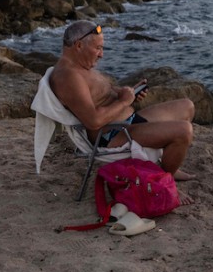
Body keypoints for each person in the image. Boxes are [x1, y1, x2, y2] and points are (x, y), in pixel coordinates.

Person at [49, 20, 195, 183]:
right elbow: (93, 121)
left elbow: (100, 94)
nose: (101, 54)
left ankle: (170, 167)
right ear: (78, 46)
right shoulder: (69, 77)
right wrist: (125, 102)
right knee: (184, 131)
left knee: (187, 106)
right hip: (114, 135)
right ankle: (163, 181)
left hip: (127, 123)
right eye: (98, 48)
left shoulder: (80, 68)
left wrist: (126, 92)